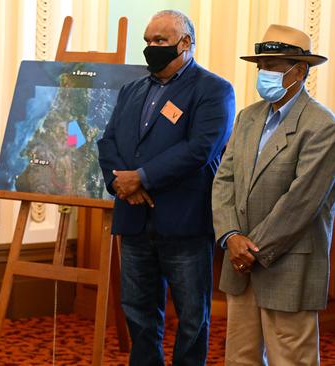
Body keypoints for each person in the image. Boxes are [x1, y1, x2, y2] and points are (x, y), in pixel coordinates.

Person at [97, 10, 235, 365]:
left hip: (185, 222)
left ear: (185, 43)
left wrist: (141, 177)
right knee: (138, 311)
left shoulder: (214, 90)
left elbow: (200, 150)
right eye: (148, 41)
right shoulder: (131, 90)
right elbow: (107, 142)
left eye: (160, 41)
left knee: (192, 316)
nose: (152, 48)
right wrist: (121, 183)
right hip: (134, 218)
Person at [213, 24, 335, 365]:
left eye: (274, 66)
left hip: (288, 265)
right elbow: (223, 180)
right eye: (261, 66)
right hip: (240, 265)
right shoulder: (248, 117)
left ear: (299, 71)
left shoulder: (322, 125)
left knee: (291, 359)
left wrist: (250, 249)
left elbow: (302, 202)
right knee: (240, 358)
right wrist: (230, 236)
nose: (264, 73)